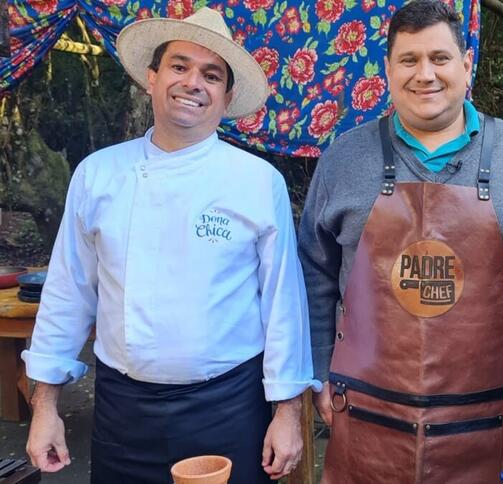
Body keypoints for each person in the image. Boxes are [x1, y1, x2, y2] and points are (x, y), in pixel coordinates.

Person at [22, 8, 320, 483]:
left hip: (228, 407)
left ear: (226, 97)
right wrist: (45, 406)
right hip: (123, 410)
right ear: (152, 77)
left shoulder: (257, 182)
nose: (193, 83)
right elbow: (68, 293)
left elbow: (284, 306)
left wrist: (285, 414)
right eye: (179, 66)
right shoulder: (98, 174)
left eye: (211, 74)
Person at [297, 0, 503, 482]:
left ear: (467, 65)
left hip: (486, 428)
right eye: (409, 60)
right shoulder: (343, 160)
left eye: (440, 58)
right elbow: (313, 278)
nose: (425, 74)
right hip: (365, 422)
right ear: (387, 69)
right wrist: (316, 372)